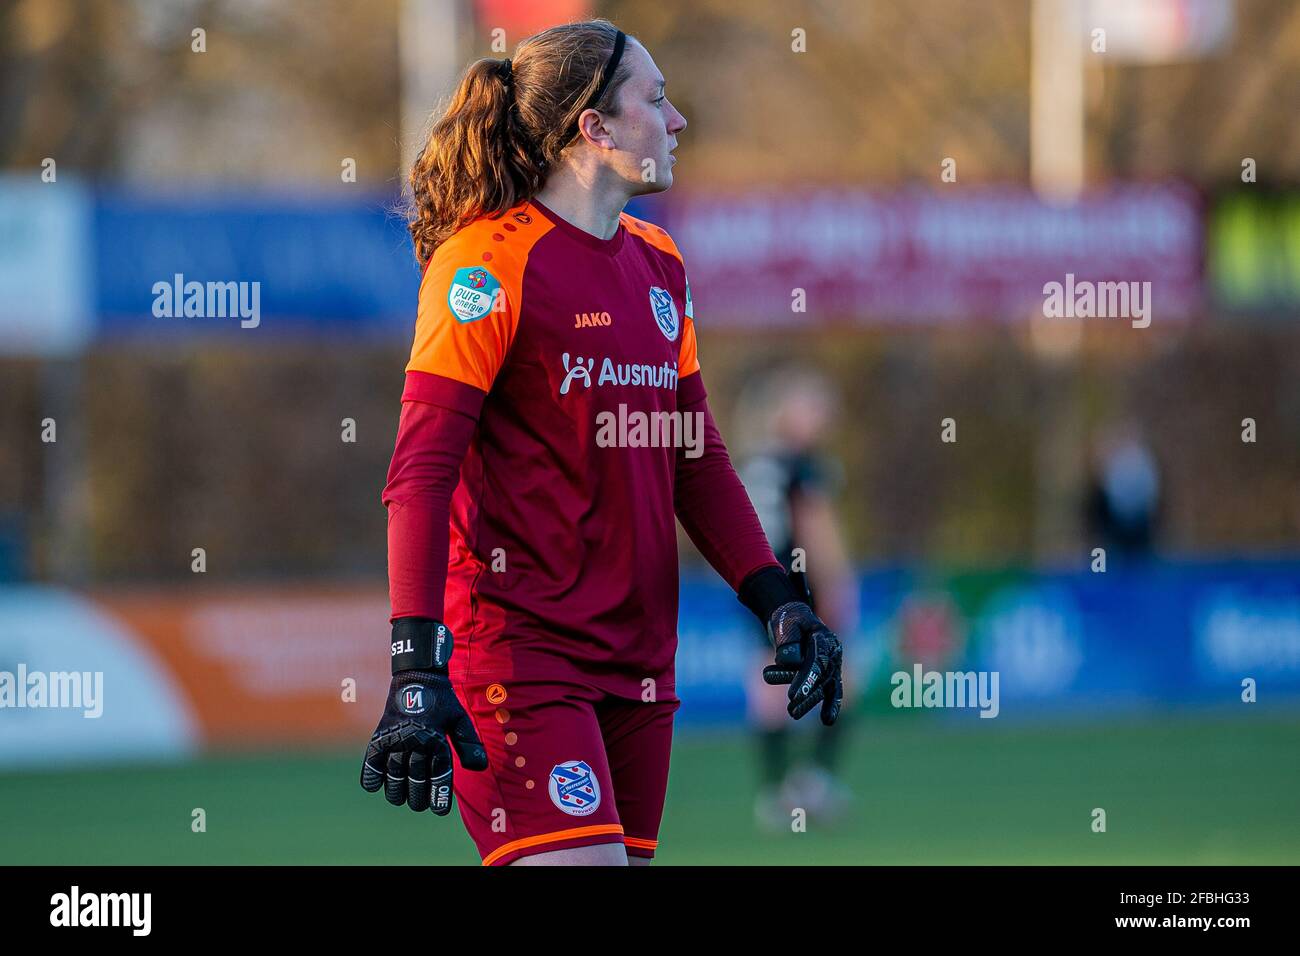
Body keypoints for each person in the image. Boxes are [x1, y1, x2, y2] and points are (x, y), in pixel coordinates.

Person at [358, 19, 843, 866]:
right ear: (596, 128)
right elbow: (420, 476)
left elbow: (694, 458)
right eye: (655, 100)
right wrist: (413, 665)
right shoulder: (485, 266)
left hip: (641, 665)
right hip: (519, 655)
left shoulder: (660, 264)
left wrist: (780, 600)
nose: (678, 120)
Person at [736, 366, 859, 830]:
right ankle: (815, 785)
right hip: (801, 587)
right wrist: (837, 586)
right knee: (844, 677)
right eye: (815, 408)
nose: (824, 418)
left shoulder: (755, 461)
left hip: (758, 586)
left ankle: (775, 794)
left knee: (767, 687)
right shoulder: (803, 466)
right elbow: (815, 529)